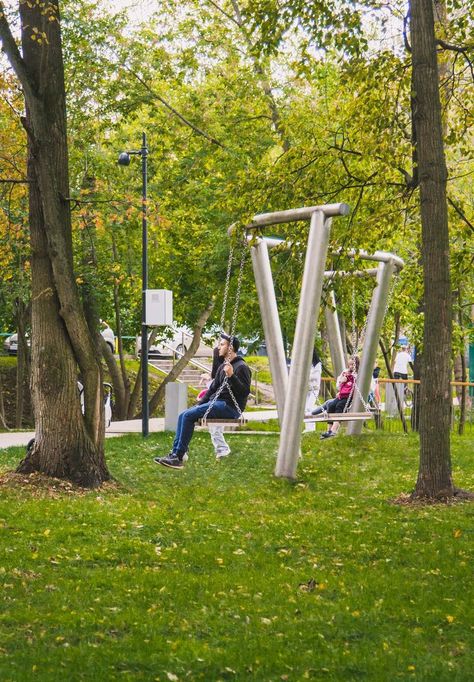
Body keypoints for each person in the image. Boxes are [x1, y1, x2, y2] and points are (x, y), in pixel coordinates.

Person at [154, 333, 251, 469]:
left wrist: (232, 376)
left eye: (222, 344)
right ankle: (176, 453)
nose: (218, 347)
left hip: (230, 407)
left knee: (188, 416)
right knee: (184, 414)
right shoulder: (223, 367)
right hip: (217, 404)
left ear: (230, 348)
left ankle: (179, 457)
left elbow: (245, 391)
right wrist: (198, 405)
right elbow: (212, 390)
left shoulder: (241, 367)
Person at [316, 356, 359, 440]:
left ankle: (334, 430)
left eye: (352, 365)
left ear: (356, 364)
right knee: (331, 405)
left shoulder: (358, 374)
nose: (350, 366)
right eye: (349, 364)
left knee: (339, 406)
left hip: (350, 398)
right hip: (341, 395)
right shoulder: (345, 372)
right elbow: (338, 386)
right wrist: (341, 382)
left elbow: (360, 387)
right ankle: (328, 430)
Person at [304, 349, 322, 433]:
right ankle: (308, 427)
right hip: (306, 388)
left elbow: (315, 377)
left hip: (314, 389)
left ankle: (311, 429)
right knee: (305, 408)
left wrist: (307, 375)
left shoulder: (317, 364)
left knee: (309, 407)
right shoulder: (306, 364)